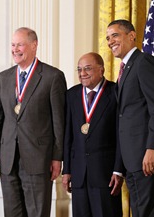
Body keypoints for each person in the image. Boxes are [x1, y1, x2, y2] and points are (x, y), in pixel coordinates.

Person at [0, 27, 67, 217]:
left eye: (20, 44)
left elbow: (59, 121)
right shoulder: (4, 77)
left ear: (34, 45)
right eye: (13, 45)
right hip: (8, 161)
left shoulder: (52, 76)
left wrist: (57, 157)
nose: (15, 49)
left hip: (38, 160)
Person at [106, 19, 154, 217]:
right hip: (133, 160)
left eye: (115, 35)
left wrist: (152, 148)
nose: (110, 41)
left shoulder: (143, 62)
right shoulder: (126, 69)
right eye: (108, 38)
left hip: (147, 157)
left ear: (131, 36)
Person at [62, 52, 124, 217]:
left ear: (101, 69)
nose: (82, 74)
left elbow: (121, 136)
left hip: (106, 174)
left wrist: (118, 170)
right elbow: (68, 136)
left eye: (88, 69)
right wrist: (66, 170)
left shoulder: (116, 92)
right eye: (79, 69)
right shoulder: (71, 95)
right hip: (79, 174)